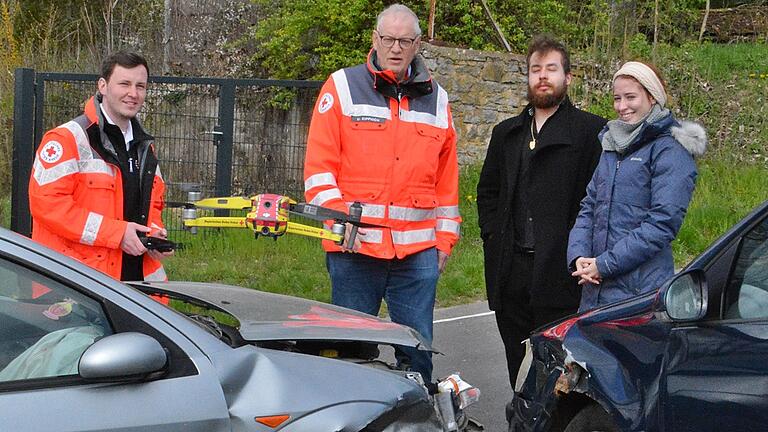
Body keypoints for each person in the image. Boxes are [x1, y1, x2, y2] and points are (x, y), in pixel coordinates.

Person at [303, 4, 461, 381]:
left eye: (404, 40)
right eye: (388, 39)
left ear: (417, 44)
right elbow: (319, 170)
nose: (395, 48)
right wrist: (342, 226)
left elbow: (447, 183)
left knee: (418, 356)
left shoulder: (438, 100)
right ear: (375, 39)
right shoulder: (341, 87)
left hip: (417, 256)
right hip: (355, 251)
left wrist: (444, 241)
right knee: (350, 354)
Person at [476, 35, 606, 392]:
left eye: (551, 69)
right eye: (536, 69)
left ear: (568, 77)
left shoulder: (591, 132)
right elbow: (487, 192)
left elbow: (597, 203)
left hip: (561, 274)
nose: (542, 76)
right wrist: (493, 237)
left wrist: (581, 253)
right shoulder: (507, 134)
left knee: (557, 372)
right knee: (517, 368)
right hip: (511, 272)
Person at [568, 61, 707, 311]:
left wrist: (605, 264)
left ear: (652, 97)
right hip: (595, 289)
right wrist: (578, 257)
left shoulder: (671, 150)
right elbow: (589, 205)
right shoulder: (612, 145)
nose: (622, 106)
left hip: (639, 295)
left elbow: (662, 223)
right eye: (617, 98)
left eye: (630, 97)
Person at [29, 50, 171, 284]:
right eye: (124, 84)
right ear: (103, 86)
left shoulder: (144, 146)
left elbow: (153, 204)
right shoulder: (68, 139)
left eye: (140, 86)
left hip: (136, 282)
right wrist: (117, 234)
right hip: (78, 285)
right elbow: (47, 205)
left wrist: (154, 234)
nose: (133, 94)